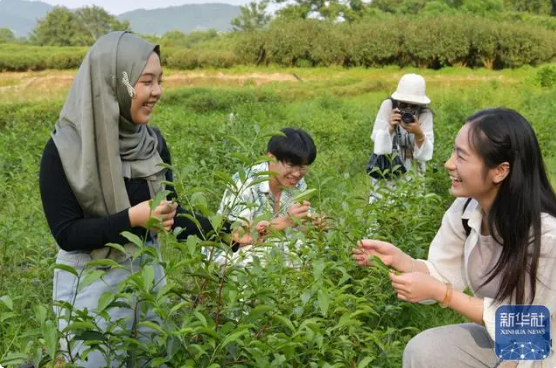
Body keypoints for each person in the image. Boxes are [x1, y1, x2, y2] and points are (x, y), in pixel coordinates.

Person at [39, 31, 224, 367]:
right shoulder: (65, 149)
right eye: (146, 81)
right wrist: (131, 220)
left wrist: (227, 234)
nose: (157, 92)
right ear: (112, 82)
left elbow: (170, 214)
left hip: (148, 277)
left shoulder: (151, 143)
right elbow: (66, 233)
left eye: (160, 81)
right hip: (91, 283)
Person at [354, 108, 556, 367]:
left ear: (500, 171)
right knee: (424, 351)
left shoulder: (546, 235)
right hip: (503, 342)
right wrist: (400, 261)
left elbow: (526, 331)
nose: (449, 164)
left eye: (461, 156)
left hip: (542, 348)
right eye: (453, 152)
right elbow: (441, 275)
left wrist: (445, 295)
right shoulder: (466, 211)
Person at [213, 127, 318, 267]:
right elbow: (235, 235)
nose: (297, 174)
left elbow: (299, 228)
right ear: (271, 158)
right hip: (232, 251)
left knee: (313, 249)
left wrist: (312, 223)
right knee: (271, 258)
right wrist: (285, 222)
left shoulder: (297, 184)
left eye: (303, 167)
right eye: (291, 165)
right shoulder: (246, 182)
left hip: (272, 244)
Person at [369, 73, 434, 203]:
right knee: (382, 206)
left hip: (412, 172)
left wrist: (418, 134)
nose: (408, 110)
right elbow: (377, 141)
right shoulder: (388, 106)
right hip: (387, 167)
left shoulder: (424, 114)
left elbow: (426, 154)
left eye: (413, 106)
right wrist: (390, 128)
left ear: (420, 105)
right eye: (403, 105)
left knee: (409, 208)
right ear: (397, 102)